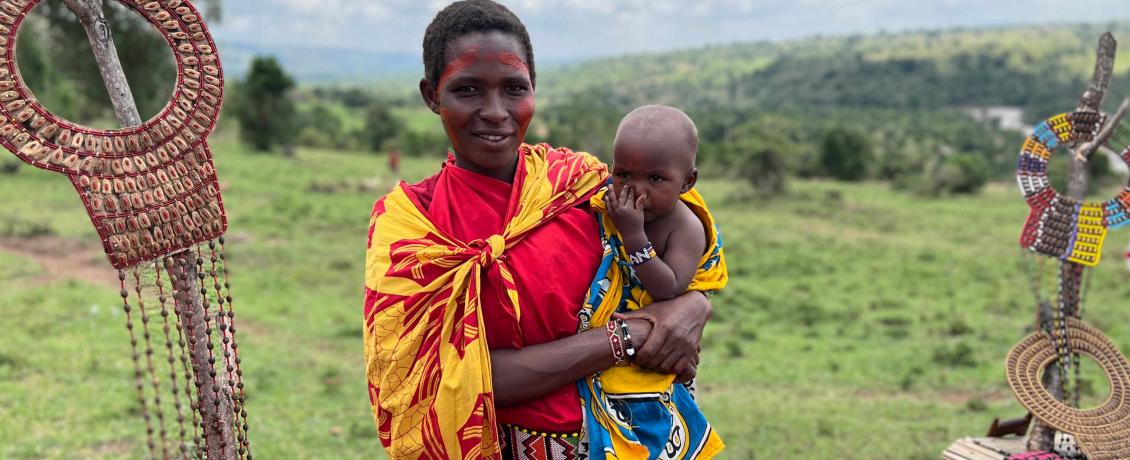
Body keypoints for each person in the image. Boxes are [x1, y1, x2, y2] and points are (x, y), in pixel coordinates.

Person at [362, 2, 715, 458]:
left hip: (632, 440)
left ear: (534, 89)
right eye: (467, 89)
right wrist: (624, 338)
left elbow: (688, 244)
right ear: (432, 95)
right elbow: (449, 378)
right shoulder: (413, 225)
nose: (494, 111)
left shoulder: (585, 185)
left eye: (514, 88)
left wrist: (694, 304)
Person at [577, 105, 727, 459]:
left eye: (656, 179)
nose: (637, 191)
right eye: (624, 174)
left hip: (657, 357)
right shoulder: (609, 203)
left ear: (688, 181)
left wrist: (633, 236)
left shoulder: (685, 227)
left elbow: (670, 289)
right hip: (611, 348)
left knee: (653, 432)